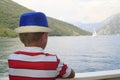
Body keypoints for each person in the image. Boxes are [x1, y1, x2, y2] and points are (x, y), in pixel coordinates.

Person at [8, 12, 75, 80]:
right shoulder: (53, 60)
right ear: (44, 37)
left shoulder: (12, 58)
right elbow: (71, 74)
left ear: (21, 38)